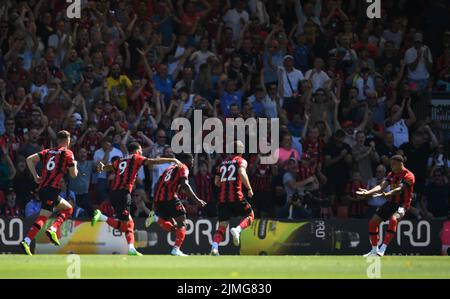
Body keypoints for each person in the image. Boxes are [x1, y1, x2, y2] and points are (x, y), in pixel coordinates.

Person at [91, 142, 183, 256]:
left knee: (128, 224)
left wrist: (103, 167)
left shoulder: (121, 159)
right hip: (123, 194)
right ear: (136, 150)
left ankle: (131, 248)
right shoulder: (136, 158)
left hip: (113, 193)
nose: (141, 152)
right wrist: (172, 160)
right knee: (127, 225)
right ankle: (102, 217)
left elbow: (111, 166)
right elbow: (153, 161)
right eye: (140, 150)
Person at [20, 130, 78, 255]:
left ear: (58, 140)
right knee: (43, 216)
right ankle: (27, 240)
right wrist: (75, 165)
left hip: (43, 189)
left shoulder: (48, 152)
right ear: (67, 141)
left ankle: (52, 229)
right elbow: (73, 175)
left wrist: (36, 176)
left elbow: (29, 160)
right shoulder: (68, 153)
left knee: (68, 209)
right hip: (51, 189)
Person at [146, 153, 206, 256]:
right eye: (191, 162)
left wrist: (154, 204)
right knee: (183, 223)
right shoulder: (183, 167)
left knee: (174, 228)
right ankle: (176, 250)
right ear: (186, 161)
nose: (192, 164)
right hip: (170, 197)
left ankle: (156, 218)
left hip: (160, 199)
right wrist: (197, 200)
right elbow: (185, 185)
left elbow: (158, 184)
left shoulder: (169, 168)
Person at [357, 155, 415, 257]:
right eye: (391, 164)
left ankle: (383, 248)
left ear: (400, 164)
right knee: (372, 223)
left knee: (393, 219)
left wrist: (388, 194)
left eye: (393, 164)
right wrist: (368, 192)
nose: (391, 166)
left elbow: (400, 189)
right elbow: (381, 186)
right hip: (391, 203)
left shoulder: (409, 176)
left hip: (402, 205)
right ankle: (374, 250)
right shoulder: (392, 174)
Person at [211, 141, 254, 256]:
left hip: (223, 199)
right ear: (241, 150)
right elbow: (241, 172)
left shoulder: (223, 163)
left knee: (222, 226)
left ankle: (215, 247)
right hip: (236, 196)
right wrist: (249, 188)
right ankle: (238, 230)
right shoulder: (240, 160)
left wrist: (226, 183)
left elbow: (216, 182)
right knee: (250, 215)